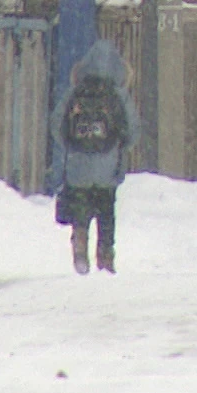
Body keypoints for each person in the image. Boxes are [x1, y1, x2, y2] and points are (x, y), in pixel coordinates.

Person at [48, 39, 140, 275]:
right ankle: (105, 256)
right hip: (107, 168)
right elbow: (132, 130)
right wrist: (118, 149)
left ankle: (80, 244)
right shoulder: (117, 96)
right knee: (106, 210)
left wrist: (72, 147)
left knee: (80, 207)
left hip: (78, 168)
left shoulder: (75, 93)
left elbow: (57, 124)